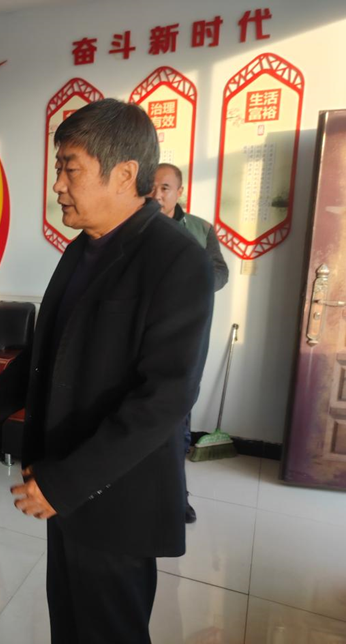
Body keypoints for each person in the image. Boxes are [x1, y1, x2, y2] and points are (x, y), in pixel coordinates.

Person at [0, 99, 214, 643]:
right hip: (62, 478)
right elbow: (51, 348)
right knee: (70, 623)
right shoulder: (82, 249)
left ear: (124, 174)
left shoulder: (175, 260)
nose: (57, 186)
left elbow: (164, 398)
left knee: (109, 629)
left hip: (114, 493)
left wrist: (66, 483)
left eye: (69, 169)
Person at [152, 162, 230, 523]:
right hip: (141, 336)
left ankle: (176, 495)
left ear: (179, 192)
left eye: (165, 188)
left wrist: (185, 283)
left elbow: (219, 272)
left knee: (177, 417)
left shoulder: (200, 229)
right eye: (152, 186)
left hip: (184, 337)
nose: (157, 194)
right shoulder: (132, 225)